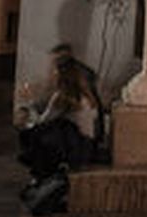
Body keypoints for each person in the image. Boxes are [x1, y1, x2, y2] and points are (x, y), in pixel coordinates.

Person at [16, 45, 104, 180]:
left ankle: (39, 171)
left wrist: (28, 102)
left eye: (54, 69)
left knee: (39, 132)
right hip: (88, 147)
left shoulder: (63, 96)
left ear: (61, 73)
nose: (51, 72)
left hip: (76, 149)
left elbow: (42, 121)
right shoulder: (85, 94)